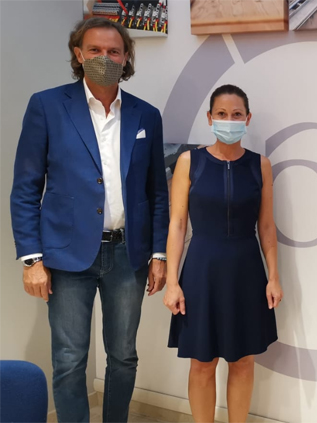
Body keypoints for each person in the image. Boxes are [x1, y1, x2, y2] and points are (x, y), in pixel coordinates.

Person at [10, 17, 169, 422]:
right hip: (66, 256)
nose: (104, 58)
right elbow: (26, 188)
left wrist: (159, 254)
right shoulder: (47, 106)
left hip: (128, 255)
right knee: (68, 359)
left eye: (113, 51)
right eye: (95, 50)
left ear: (126, 57)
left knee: (123, 356)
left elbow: (156, 192)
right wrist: (31, 259)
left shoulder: (146, 116)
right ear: (78, 54)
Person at [163, 84, 282, 422]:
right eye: (222, 114)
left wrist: (274, 276)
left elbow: (267, 226)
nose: (229, 120)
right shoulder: (189, 162)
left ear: (247, 118)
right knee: (202, 362)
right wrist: (172, 282)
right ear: (209, 117)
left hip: (246, 270)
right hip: (201, 270)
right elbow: (177, 225)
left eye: (236, 114)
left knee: (243, 360)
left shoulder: (260, 165)